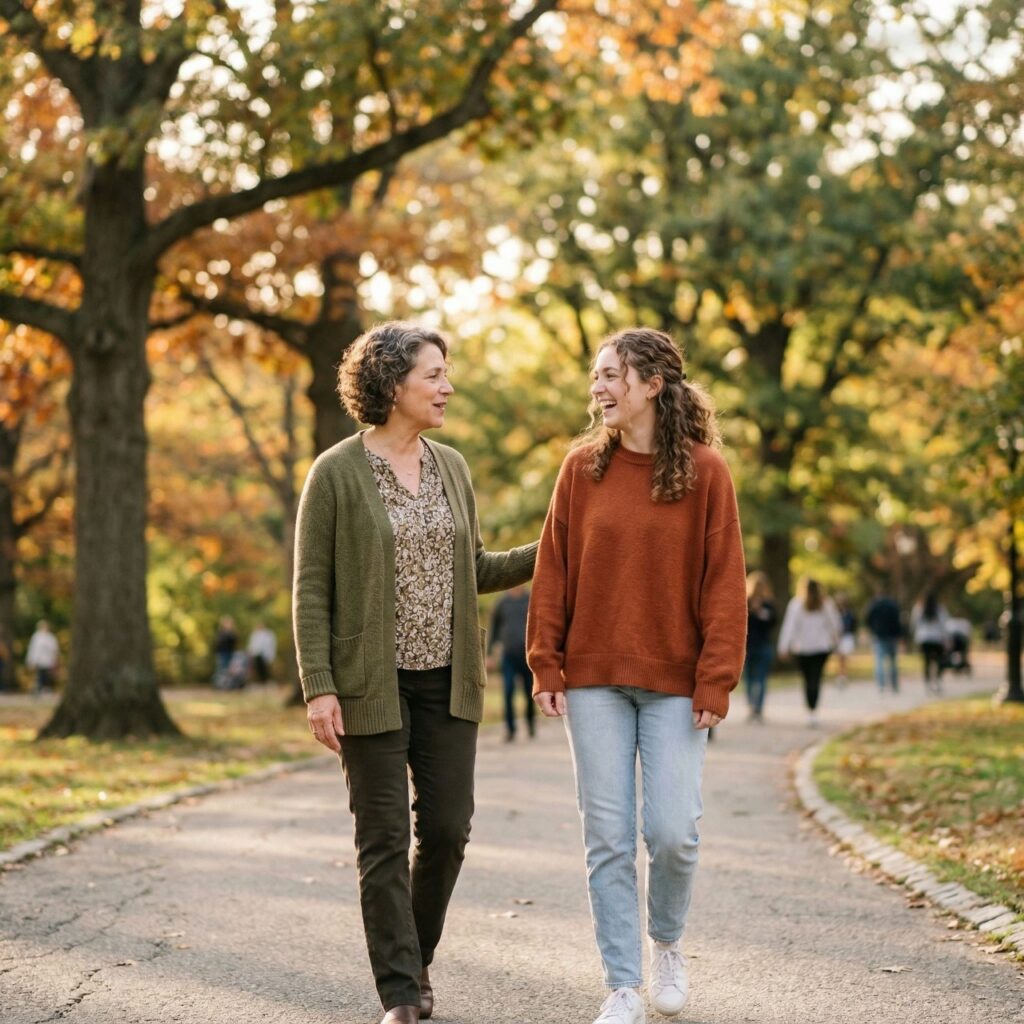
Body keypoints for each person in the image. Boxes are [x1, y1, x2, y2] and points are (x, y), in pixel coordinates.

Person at [293, 321, 537, 1024]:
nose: (447, 387)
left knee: (451, 830)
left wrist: (553, 544)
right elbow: (311, 588)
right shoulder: (336, 472)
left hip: (446, 679)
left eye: (445, 374)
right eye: (434, 375)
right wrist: (320, 687)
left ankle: (414, 956)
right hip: (371, 683)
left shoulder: (452, 467)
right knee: (383, 841)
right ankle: (401, 992)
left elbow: (477, 568)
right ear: (392, 383)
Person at [528, 327, 746, 1024]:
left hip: (678, 683)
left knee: (674, 831)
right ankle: (622, 983)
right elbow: (553, 568)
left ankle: (667, 944)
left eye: (610, 374)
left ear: (652, 383)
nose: (598, 387)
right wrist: (546, 659)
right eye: (595, 375)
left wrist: (716, 679)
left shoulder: (707, 473)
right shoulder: (580, 468)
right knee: (609, 837)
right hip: (592, 677)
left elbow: (723, 585)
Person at [777, 578, 841, 727]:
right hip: (820, 648)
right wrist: (837, 643)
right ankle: (813, 710)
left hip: (804, 649)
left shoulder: (797, 604)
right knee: (816, 678)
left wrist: (783, 647)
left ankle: (810, 710)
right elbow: (835, 625)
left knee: (808, 680)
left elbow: (789, 627)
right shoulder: (825, 603)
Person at [487, 584, 535, 741]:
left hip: (527, 655)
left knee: (529, 693)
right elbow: (494, 629)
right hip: (508, 655)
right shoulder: (502, 603)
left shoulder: (530, 599)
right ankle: (510, 730)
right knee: (508, 692)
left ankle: (530, 724)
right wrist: (489, 654)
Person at [744, 571, 777, 722]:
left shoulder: (769, 604)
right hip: (748, 646)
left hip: (763, 645)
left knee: (761, 678)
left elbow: (773, 623)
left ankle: (759, 708)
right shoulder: (745, 602)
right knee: (749, 678)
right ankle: (752, 706)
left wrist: (761, 612)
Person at [865, 587, 902, 694]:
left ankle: (881, 685)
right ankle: (894, 685)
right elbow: (898, 621)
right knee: (893, 662)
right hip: (892, 636)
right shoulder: (893, 605)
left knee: (879, 661)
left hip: (879, 635)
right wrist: (899, 634)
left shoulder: (875, 605)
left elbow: (868, 619)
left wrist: (873, 629)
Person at [911, 590, 948, 694]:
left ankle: (927, 683)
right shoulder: (940, 610)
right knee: (938, 661)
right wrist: (946, 639)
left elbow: (914, 625)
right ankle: (937, 681)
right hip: (937, 639)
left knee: (926, 662)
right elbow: (944, 625)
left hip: (924, 639)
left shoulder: (918, 609)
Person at [26, 619, 60, 695]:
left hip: (48, 660)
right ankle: (39, 689)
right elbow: (32, 649)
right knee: (39, 675)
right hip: (39, 660)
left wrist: (55, 659)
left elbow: (55, 649)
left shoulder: (51, 637)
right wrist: (30, 660)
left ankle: (46, 689)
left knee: (47, 675)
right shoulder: (36, 637)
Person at [834, 592, 857, 688]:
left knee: (844, 657)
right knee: (841, 658)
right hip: (838, 637)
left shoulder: (849, 613)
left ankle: (843, 675)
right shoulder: (835, 613)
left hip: (847, 636)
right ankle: (842, 675)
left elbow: (853, 625)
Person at [212, 615, 237, 685]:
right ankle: (220, 684)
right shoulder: (221, 633)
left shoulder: (232, 633)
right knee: (221, 669)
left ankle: (228, 684)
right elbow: (218, 643)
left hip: (230, 653)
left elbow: (234, 643)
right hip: (222, 653)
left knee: (228, 669)